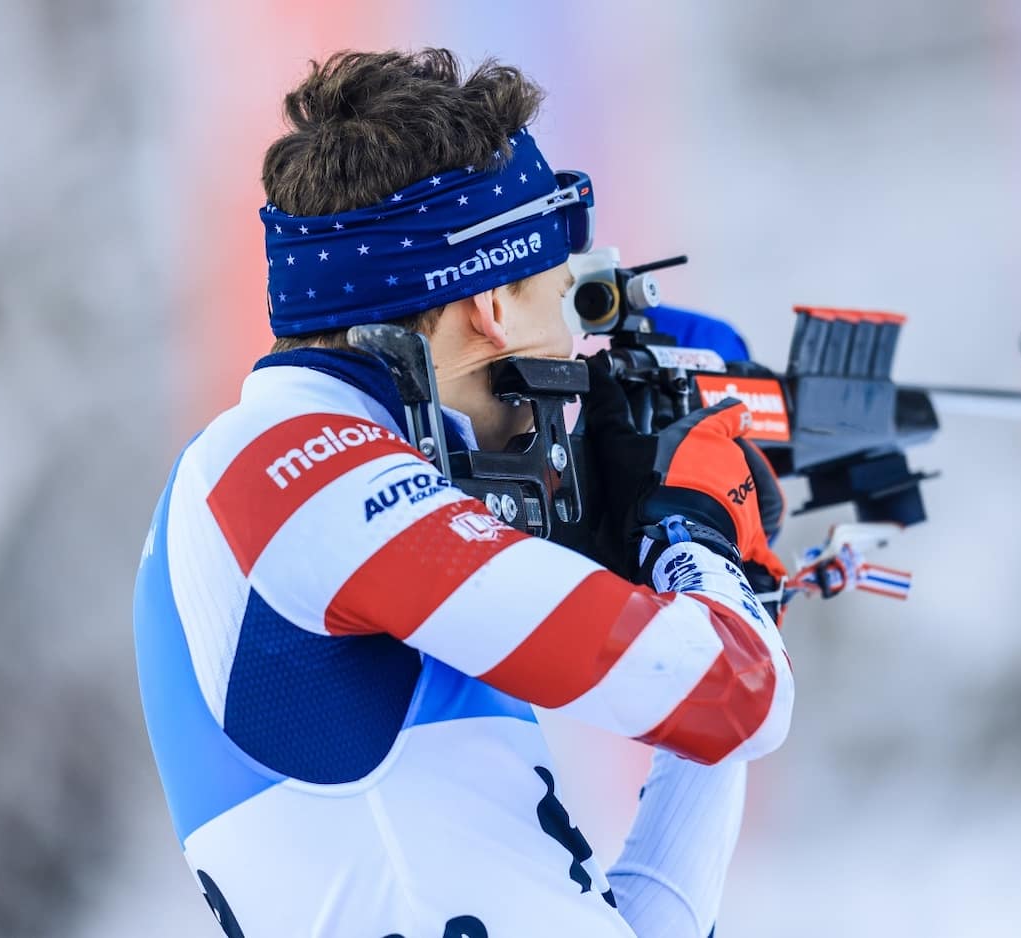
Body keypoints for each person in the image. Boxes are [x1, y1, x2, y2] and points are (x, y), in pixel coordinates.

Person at [133, 49, 793, 938]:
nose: (574, 343)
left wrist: (727, 587)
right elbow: (739, 692)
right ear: (493, 303)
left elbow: (652, 906)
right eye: (564, 295)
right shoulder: (286, 463)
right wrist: (694, 536)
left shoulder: (298, 481)